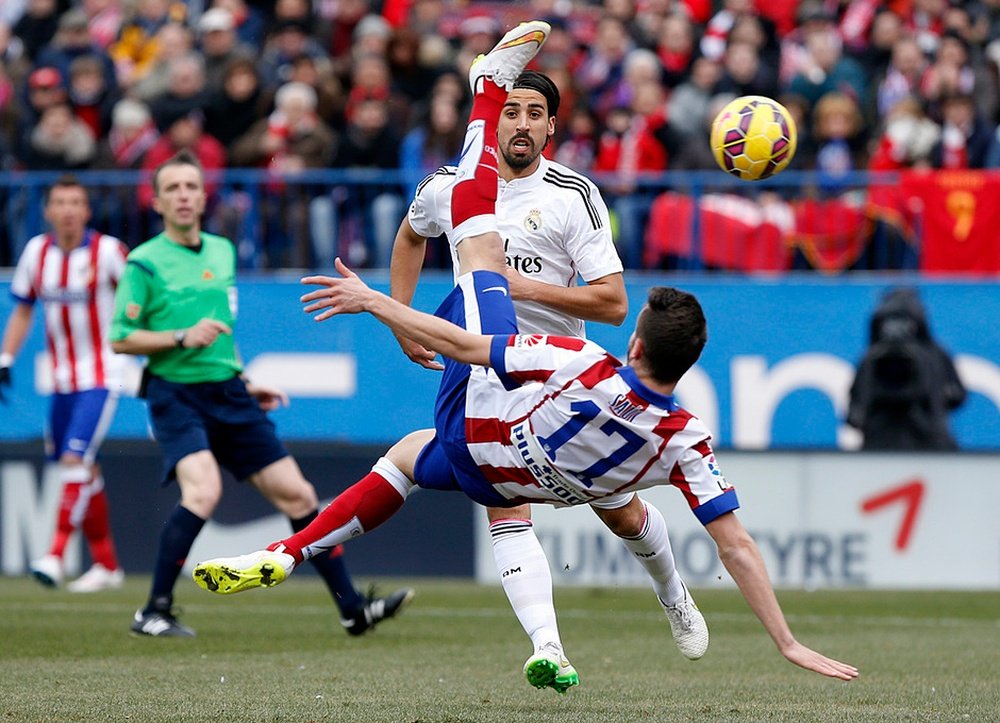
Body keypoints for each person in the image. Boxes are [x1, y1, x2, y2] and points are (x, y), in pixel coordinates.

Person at [192, 23, 859, 691]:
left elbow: (612, 304)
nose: (522, 122)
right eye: (509, 108)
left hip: (556, 373)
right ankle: (548, 645)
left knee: (601, 507)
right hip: (481, 356)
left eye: (532, 112)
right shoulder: (443, 186)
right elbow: (407, 235)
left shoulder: (574, 196)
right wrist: (403, 323)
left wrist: (505, 288)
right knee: (496, 497)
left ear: (549, 130)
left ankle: (673, 596)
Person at [109, 150, 413, 637]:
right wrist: (179, 338)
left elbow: (221, 337)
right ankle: (154, 610)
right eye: (173, 189)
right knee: (203, 491)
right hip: (176, 396)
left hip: (229, 392)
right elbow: (120, 336)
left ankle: (352, 610)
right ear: (158, 202)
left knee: (299, 495)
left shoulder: (221, 251)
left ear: (204, 197)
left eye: (191, 187)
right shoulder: (144, 262)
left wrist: (246, 384)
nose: (184, 196)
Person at [0, 176, 126, 593]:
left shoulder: (108, 252)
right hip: (60, 380)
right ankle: (107, 565)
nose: (68, 209)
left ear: (87, 211)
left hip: (103, 375)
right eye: (60, 202)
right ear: (48, 210)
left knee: (74, 461)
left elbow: (140, 298)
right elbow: (22, 309)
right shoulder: (37, 252)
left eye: (76, 202)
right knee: (79, 466)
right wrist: (5, 358)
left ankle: (54, 556)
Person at [847, 287, 966, 450]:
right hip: (923, 444)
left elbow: (854, 411)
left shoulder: (871, 356)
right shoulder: (935, 354)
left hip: (894, 445)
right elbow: (957, 396)